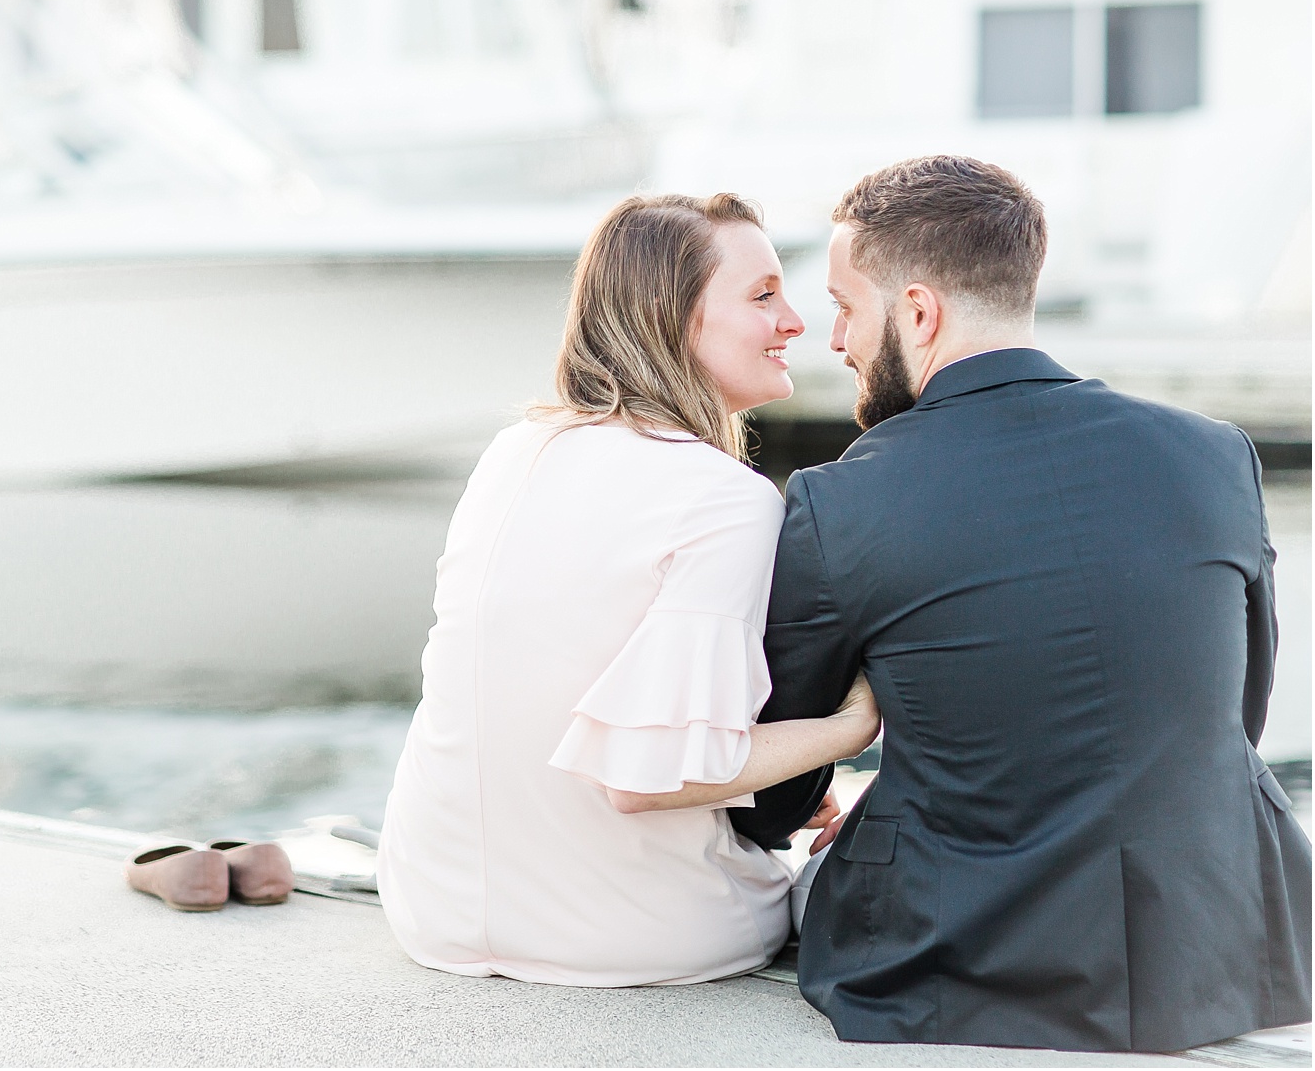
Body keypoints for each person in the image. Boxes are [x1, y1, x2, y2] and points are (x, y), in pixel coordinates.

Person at [728, 155, 1312, 1052]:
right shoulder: (1213, 455)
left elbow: (770, 796)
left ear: (917, 312)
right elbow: (1233, 712)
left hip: (949, 953)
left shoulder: (842, 500)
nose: (836, 340)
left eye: (847, 308)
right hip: (1199, 948)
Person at [377, 193, 879, 987]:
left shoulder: (517, 450)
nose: (794, 322)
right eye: (762, 296)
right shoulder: (725, 497)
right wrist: (848, 730)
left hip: (430, 906)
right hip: (632, 932)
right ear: (671, 317)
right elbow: (648, 777)